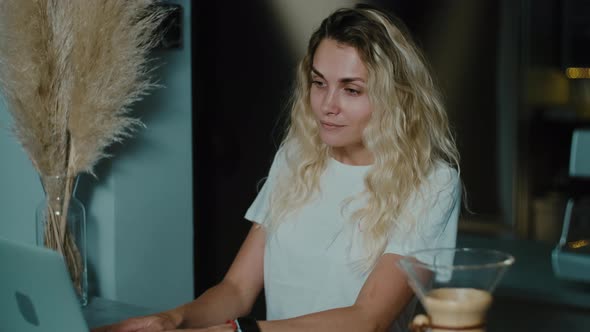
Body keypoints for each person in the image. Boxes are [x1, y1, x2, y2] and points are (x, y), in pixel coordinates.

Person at [95, 4, 461, 332]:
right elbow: (237, 289)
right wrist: (171, 319)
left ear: (394, 96)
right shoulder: (297, 156)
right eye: (319, 83)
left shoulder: (433, 182)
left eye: (351, 90)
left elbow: (368, 318)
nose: (327, 105)